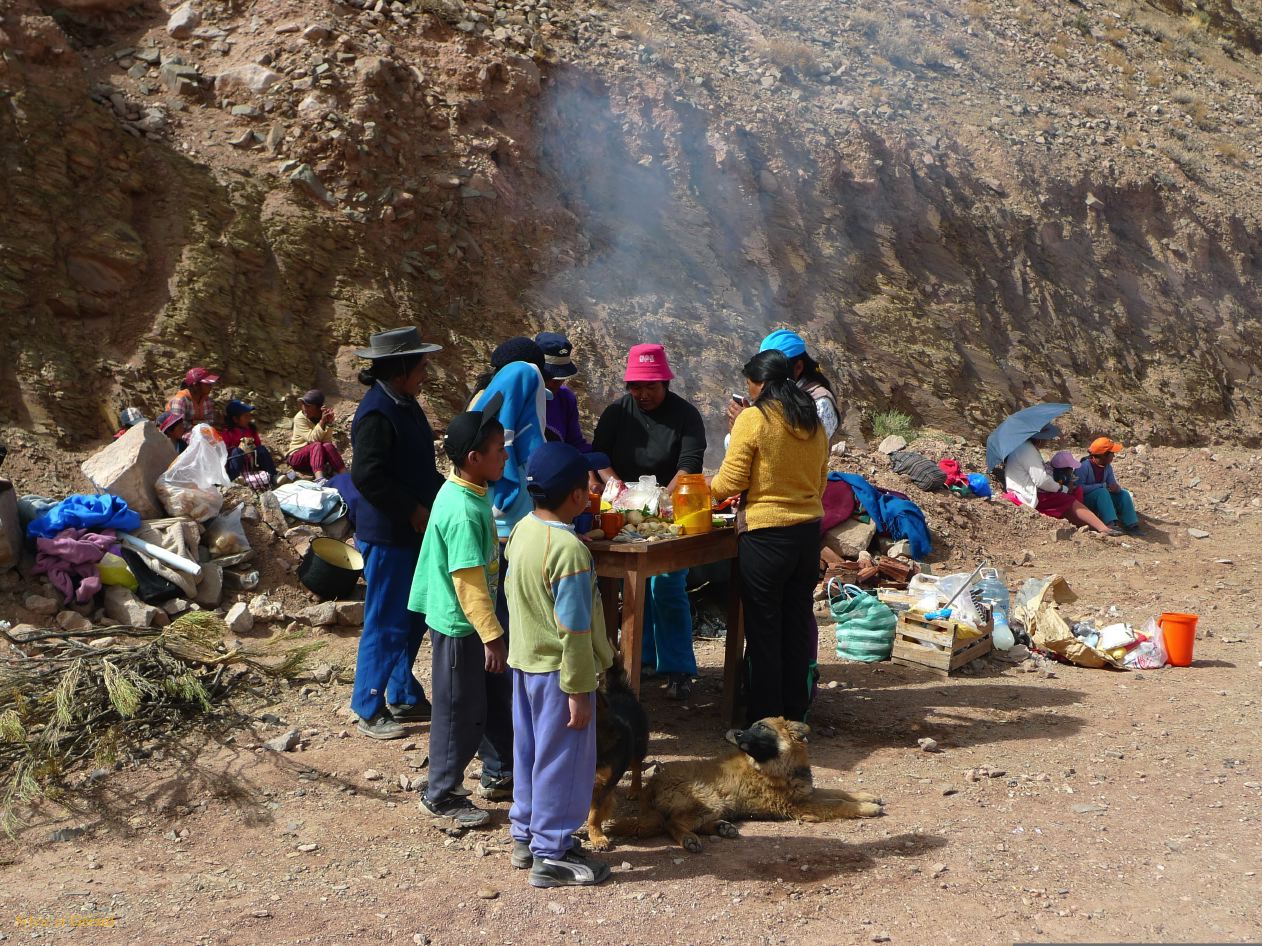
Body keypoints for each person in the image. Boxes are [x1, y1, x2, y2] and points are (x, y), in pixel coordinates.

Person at [506, 441, 615, 888]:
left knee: (531, 755)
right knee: (563, 761)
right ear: (574, 495)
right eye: (589, 487)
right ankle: (551, 855)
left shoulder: (522, 531)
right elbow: (574, 629)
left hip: (526, 665)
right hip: (560, 673)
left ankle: (526, 835)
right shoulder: (569, 551)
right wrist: (578, 687)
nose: (592, 493)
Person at [409, 392, 514, 828]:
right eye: (498, 450)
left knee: (491, 698)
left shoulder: (469, 490)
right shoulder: (463, 510)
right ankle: (441, 793)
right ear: (474, 457)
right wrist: (491, 634)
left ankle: (500, 770)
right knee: (458, 710)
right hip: (461, 624)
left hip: (473, 620)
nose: (506, 455)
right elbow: (468, 582)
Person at [711, 350, 828, 725]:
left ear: (760, 384)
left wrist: (704, 488)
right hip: (808, 536)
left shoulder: (754, 418)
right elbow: (821, 479)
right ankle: (796, 715)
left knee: (763, 630)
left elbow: (730, 482)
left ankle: (766, 722)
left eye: (749, 384)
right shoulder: (812, 420)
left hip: (765, 538)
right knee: (795, 625)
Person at [464, 336, 553, 797]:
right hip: (510, 530)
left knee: (497, 649)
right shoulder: (525, 374)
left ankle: (498, 760)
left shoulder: (484, 395)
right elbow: (527, 446)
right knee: (509, 649)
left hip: (496, 527)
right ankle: (504, 764)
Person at [591, 343, 706, 700]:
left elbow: (689, 463)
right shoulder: (617, 413)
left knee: (667, 585)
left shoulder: (685, 416)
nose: (643, 395)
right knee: (631, 588)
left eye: (651, 387)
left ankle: (677, 668)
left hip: (670, 514)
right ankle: (640, 660)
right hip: (624, 510)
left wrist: (662, 500)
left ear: (665, 384)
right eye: (636, 387)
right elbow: (599, 455)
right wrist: (618, 489)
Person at [349, 326, 446, 740]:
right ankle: (368, 705)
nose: (426, 372)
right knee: (386, 619)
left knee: (414, 616)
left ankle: (403, 692)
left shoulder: (405, 403)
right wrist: (412, 510)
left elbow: (419, 467)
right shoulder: (376, 413)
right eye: (421, 365)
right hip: (389, 535)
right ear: (401, 367)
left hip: (412, 532)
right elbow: (367, 476)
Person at [1003, 424, 1117, 535]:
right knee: (1067, 500)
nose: (1047, 441)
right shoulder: (1028, 451)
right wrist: (1062, 488)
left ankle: (1094, 525)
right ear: (1039, 439)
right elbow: (1041, 480)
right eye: (1046, 439)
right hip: (1028, 493)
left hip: (1025, 489)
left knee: (1067, 500)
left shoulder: (1024, 448)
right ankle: (1102, 528)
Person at [731, 330, 840, 444]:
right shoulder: (774, 394)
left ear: (798, 367)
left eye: (775, 369)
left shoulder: (821, 403)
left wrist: (748, 425)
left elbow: (802, 452)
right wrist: (740, 425)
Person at [536, 331, 592, 452]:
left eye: (559, 379)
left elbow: (575, 443)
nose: (552, 384)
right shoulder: (520, 396)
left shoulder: (566, 398)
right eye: (547, 377)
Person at [1077, 437, 1140, 533]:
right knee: (1102, 492)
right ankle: (1110, 524)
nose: (1114, 456)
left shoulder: (1107, 467)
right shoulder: (1084, 466)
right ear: (1103, 455)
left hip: (1103, 498)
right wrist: (1101, 486)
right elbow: (1079, 488)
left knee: (1124, 494)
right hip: (1085, 501)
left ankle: (1131, 524)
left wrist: (1116, 488)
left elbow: (1111, 484)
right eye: (1112, 454)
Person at [286, 389, 346, 479]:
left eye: (308, 406)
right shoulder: (300, 418)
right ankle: (320, 479)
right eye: (303, 405)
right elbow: (312, 439)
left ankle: (345, 474)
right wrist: (322, 422)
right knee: (316, 444)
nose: (304, 408)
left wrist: (328, 423)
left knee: (328, 446)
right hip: (297, 458)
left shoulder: (322, 417)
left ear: (318, 408)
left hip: (316, 457)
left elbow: (327, 442)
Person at [222, 399, 279, 485]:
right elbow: (224, 453)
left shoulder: (251, 430)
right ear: (235, 419)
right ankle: (234, 479)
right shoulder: (227, 433)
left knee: (261, 449)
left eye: (249, 415)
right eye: (245, 416)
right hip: (236, 465)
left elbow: (257, 445)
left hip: (251, 462)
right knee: (237, 451)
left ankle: (273, 475)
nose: (249, 418)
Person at [166, 367, 220, 436]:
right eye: (207, 384)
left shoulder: (207, 400)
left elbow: (210, 420)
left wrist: (194, 424)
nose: (211, 386)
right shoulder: (180, 400)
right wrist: (199, 427)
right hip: (182, 435)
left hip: (202, 432)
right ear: (196, 385)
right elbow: (178, 426)